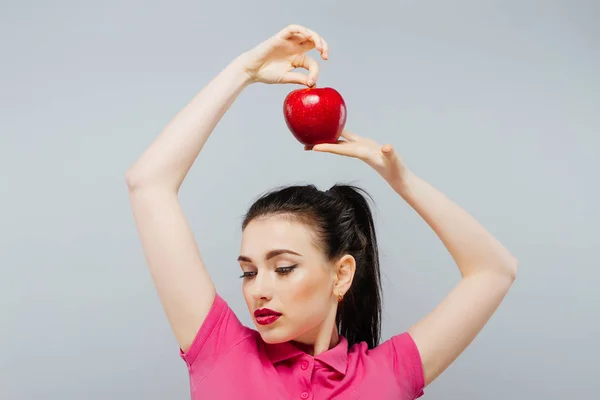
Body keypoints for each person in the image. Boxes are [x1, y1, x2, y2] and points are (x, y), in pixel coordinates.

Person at [125, 24, 518, 399]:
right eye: (248, 272)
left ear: (342, 273)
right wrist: (244, 71)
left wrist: (403, 182)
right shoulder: (219, 350)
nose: (257, 290)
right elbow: (148, 184)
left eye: (282, 268)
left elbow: (494, 270)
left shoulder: (389, 374)